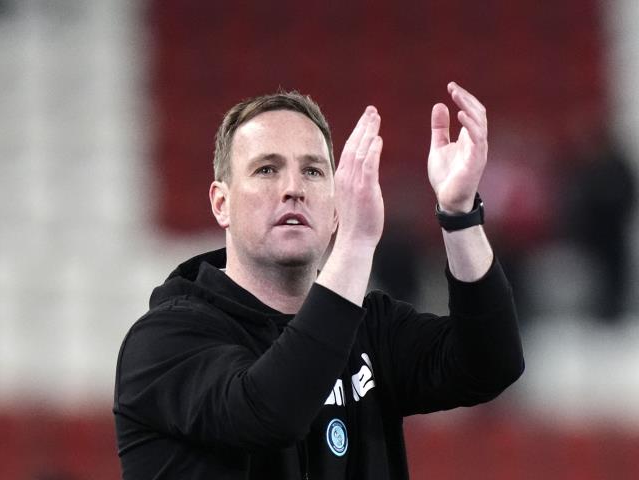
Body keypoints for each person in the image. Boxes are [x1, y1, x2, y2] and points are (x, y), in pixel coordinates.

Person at [113, 82, 524, 479]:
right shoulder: (164, 341)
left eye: (312, 171)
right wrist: (356, 242)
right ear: (221, 203)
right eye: (267, 169)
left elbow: (492, 363)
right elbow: (270, 414)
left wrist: (459, 215)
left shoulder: (369, 328)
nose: (293, 189)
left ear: (335, 209)